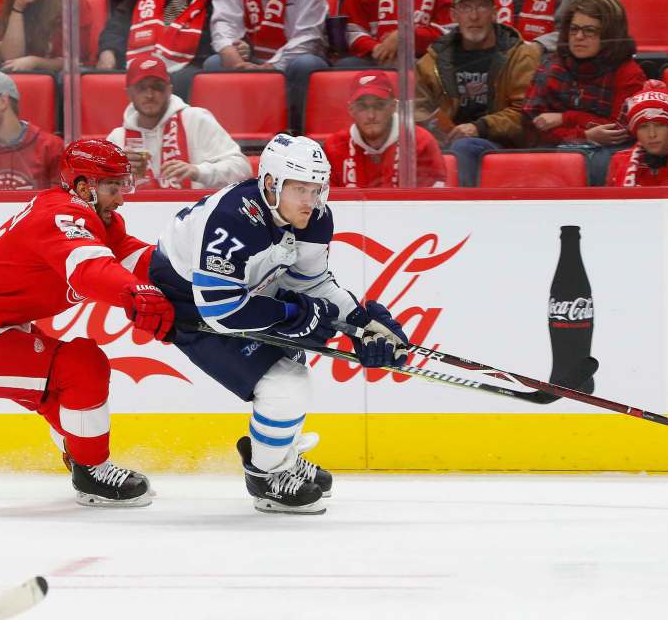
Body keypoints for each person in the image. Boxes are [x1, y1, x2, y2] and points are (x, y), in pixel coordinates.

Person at [149, 133, 411, 514]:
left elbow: (313, 283)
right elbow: (221, 311)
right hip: (190, 304)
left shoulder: (315, 215)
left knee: (291, 363)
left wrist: (361, 322)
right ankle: (266, 475)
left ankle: (280, 457)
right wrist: (294, 315)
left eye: (317, 188)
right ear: (271, 184)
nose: (311, 200)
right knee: (286, 384)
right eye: (300, 189)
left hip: (248, 290)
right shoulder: (232, 219)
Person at [0, 138, 175, 507]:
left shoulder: (93, 216)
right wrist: (137, 294)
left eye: (124, 185)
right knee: (82, 364)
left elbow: (134, 257)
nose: (121, 197)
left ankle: (82, 458)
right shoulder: (63, 215)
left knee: (66, 384)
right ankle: (92, 472)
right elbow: (89, 269)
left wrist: (187, 285)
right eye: (112, 187)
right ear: (84, 186)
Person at [414, 0, 541, 187]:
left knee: (464, 146)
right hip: (447, 143)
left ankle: (462, 208)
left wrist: (479, 127)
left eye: (482, 7)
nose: (474, 16)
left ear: (495, 13)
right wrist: (434, 132)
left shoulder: (522, 55)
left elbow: (525, 114)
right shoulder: (431, 61)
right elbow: (417, 109)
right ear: (453, 15)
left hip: (503, 145)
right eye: (466, 8)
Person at [521, 0, 646, 185]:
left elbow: (618, 129)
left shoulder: (628, 73)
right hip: (555, 149)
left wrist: (565, 118)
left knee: (592, 160)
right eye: (574, 29)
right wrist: (583, 136)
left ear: (609, 34)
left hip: (608, 152)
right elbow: (531, 124)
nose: (579, 37)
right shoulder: (552, 66)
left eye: (590, 31)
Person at [106, 53, 251, 189]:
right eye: (141, 88)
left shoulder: (196, 119)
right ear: (129, 94)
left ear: (169, 90)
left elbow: (242, 169)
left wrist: (198, 171)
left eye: (157, 87)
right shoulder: (117, 138)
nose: (149, 95)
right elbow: (95, 190)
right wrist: (117, 173)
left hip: (195, 212)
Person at [204, 0, 329, 129]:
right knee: (215, 64)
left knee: (306, 64)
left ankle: (301, 133)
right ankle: (231, 134)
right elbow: (224, 23)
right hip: (250, 58)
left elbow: (308, 38)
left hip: (293, 59)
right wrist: (233, 58)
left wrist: (271, 67)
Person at [324, 71, 446, 187]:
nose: (371, 115)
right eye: (362, 106)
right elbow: (327, 203)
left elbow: (432, 202)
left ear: (393, 106)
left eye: (379, 105)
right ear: (351, 110)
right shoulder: (334, 147)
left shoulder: (420, 142)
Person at [97, 0, 216, 102]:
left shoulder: (210, 1)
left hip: (188, 64)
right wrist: (108, 50)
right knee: (95, 76)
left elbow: (214, 39)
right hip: (134, 60)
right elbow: (117, 25)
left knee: (176, 81)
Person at [339, 0, 453, 67]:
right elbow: (352, 31)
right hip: (374, 59)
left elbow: (449, 32)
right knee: (346, 65)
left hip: (424, 60)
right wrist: (378, 49)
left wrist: (407, 36)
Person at [0, 0, 94, 72]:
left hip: (62, 74)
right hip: (24, 73)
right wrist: (18, 8)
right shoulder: (13, 0)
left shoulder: (72, 2)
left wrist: (35, 62)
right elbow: (11, 58)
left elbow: (73, 61)